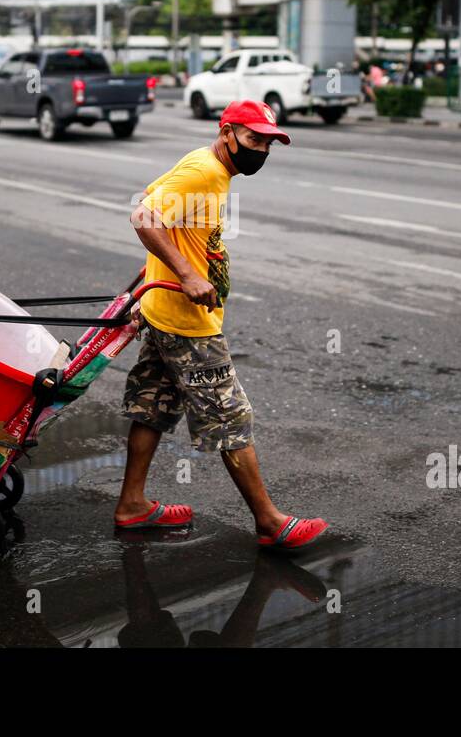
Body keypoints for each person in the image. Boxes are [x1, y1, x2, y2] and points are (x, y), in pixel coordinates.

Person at [114, 99, 330, 550]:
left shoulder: (207, 168)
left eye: (269, 143)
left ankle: (132, 505)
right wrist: (188, 275)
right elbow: (144, 216)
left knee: (154, 407)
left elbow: (160, 209)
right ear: (227, 131)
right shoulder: (203, 172)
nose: (262, 151)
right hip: (189, 325)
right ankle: (270, 523)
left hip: (165, 313)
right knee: (232, 418)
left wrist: (155, 277)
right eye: (254, 140)